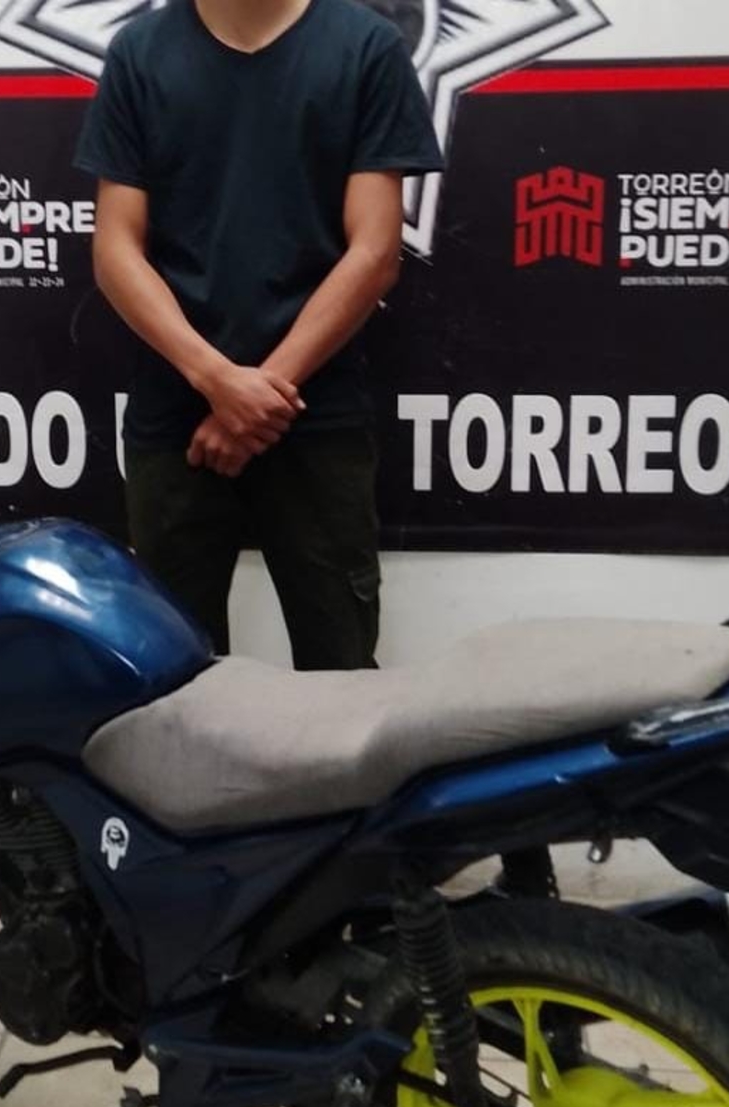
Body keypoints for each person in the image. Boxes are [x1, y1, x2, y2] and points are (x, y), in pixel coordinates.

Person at [75, 0, 443, 669]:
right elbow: (115, 250)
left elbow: (375, 253)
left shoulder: (366, 48)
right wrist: (217, 380)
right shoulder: (140, 54)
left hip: (315, 413)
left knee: (340, 677)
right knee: (173, 679)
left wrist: (256, 398)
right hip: (177, 417)